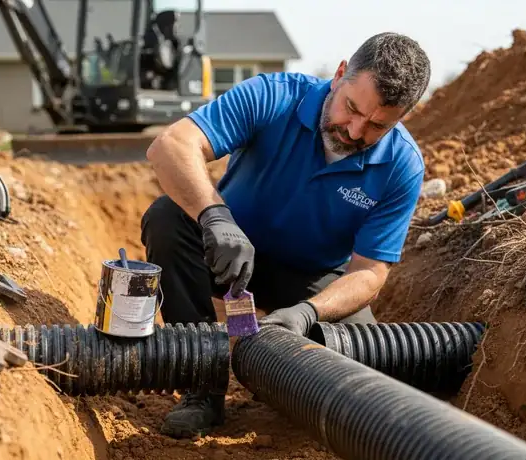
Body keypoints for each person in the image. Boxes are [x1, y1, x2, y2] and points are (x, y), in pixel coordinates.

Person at [140, 32, 431, 438]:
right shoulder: (274, 96)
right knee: (167, 218)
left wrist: (309, 312)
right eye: (351, 108)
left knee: (366, 350)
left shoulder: (402, 164)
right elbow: (170, 146)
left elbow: (370, 271)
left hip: (309, 280)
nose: (355, 131)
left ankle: (282, 390)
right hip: (228, 254)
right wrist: (215, 217)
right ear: (340, 74)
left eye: (377, 126)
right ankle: (201, 384)